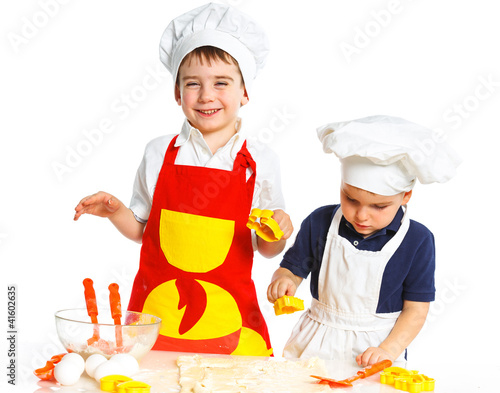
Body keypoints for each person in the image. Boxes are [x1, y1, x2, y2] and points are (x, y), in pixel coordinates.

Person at [74, 3, 293, 356]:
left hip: (230, 315)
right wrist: (114, 210)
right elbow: (143, 231)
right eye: (193, 84)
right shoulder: (160, 152)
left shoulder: (261, 161)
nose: (207, 95)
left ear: (245, 93)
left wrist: (279, 231)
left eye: (221, 83)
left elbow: (267, 250)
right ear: (178, 94)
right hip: (159, 312)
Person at [267, 115, 461, 366]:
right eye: (351, 199)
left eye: (379, 206)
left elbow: (416, 310)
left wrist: (388, 351)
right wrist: (283, 281)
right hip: (315, 340)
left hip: (378, 346)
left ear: (406, 196)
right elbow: (291, 270)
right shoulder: (320, 222)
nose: (361, 215)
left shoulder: (417, 241)